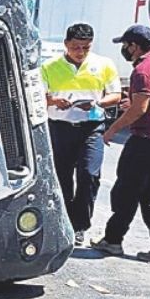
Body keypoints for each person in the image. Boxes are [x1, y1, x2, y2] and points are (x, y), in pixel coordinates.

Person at [91, 25, 150, 265]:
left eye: (125, 45)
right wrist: (132, 105)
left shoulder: (142, 70)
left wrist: (112, 129)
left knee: (125, 191)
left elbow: (140, 109)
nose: (124, 49)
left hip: (148, 142)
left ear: (134, 46)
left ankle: (113, 240)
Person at [41, 23, 121, 246]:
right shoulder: (49, 66)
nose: (80, 52)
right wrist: (54, 101)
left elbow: (115, 94)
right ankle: (64, 221)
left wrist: (97, 102)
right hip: (60, 128)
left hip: (92, 127)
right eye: (76, 47)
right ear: (66, 44)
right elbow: (37, 96)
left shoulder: (104, 64)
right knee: (62, 177)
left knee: (89, 175)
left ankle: (80, 225)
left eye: (85, 47)